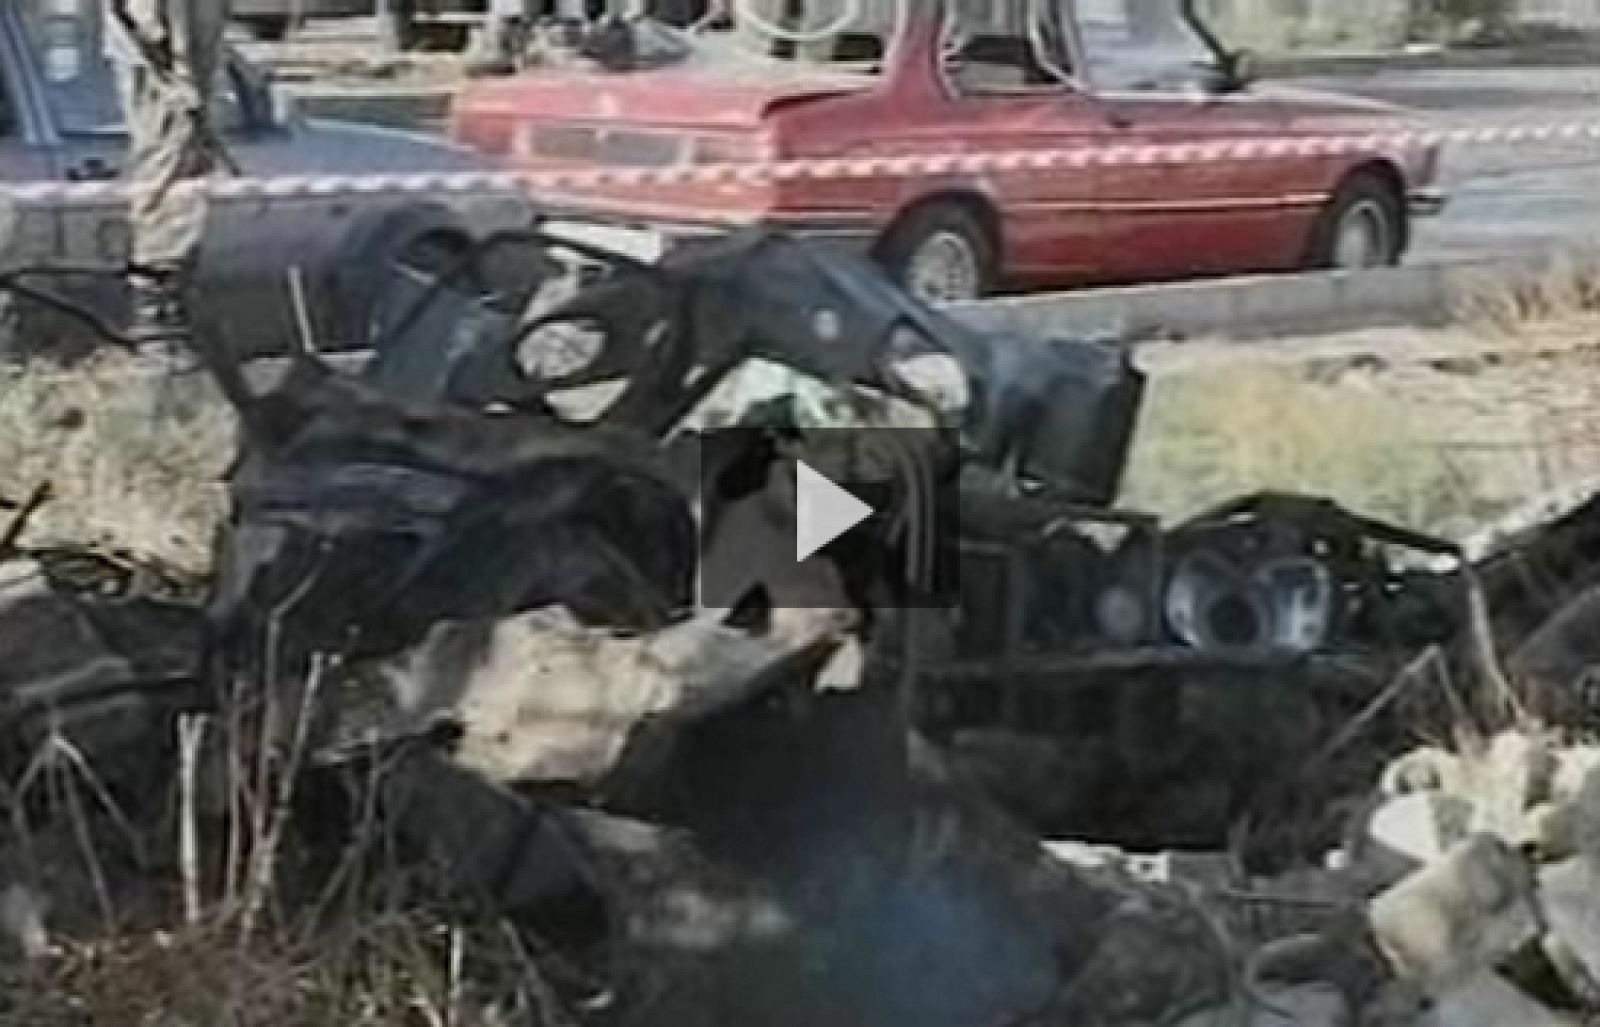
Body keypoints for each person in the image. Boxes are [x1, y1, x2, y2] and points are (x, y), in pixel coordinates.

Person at [104, 0, 229, 345]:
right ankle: (158, 317)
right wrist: (188, 94)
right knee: (168, 186)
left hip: (173, 96)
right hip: (168, 100)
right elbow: (173, 48)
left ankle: (165, 312)